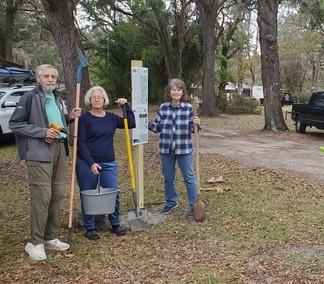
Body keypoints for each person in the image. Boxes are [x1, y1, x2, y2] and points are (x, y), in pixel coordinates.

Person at [9, 64, 81, 261]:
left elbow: (56, 121)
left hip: (59, 149)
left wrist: (70, 118)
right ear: (39, 78)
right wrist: (42, 132)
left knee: (57, 194)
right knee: (42, 196)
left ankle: (51, 237)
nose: (50, 79)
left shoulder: (56, 97)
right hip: (39, 152)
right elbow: (15, 123)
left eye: (53, 76)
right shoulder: (30, 97)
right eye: (46, 76)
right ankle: (35, 242)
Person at [76, 86, 135, 240]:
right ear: (89, 100)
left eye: (99, 97)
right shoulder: (84, 119)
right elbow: (81, 143)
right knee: (88, 194)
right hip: (86, 162)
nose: (96, 99)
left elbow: (131, 123)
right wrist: (91, 163)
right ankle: (90, 227)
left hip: (108, 162)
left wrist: (125, 106)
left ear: (104, 100)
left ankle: (114, 224)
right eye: (93, 97)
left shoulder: (111, 118)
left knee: (113, 192)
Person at [148, 78, 200, 217]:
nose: (176, 92)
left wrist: (197, 124)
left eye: (178, 89)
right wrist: (146, 122)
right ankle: (171, 202)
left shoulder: (188, 108)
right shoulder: (163, 107)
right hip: (166, 149)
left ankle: (194, 205)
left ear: (182, 92)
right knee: (168, 178)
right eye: (173, 89)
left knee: (189, 177)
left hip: (184, 149)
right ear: (169, 92)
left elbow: (193, 130)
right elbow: (157, 128)